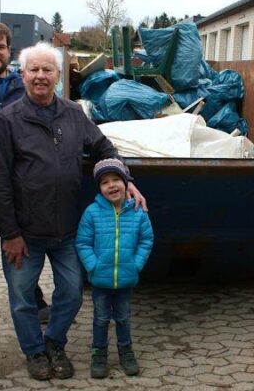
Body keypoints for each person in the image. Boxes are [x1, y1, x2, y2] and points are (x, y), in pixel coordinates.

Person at [0, 42, 146, 380]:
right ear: (23, 74)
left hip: (66, 231)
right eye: (34, 70)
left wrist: (125, 178)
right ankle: (34, 352)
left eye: (48, 70)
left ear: (59, 76)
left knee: (71, 294)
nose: (41, 76)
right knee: (22, 298)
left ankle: (55, 342)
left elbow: (103, 146)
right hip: (24, 233)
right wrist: (10, 234)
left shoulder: (73, 113)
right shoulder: (7, 120)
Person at [0, 20, 50, 322]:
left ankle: (31, 297)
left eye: (0, 46)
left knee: (20, 243)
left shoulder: (22, 86)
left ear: (8, 50)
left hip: (15, 185)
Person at [75, 158, 154, 379]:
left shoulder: (138, 211)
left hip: (126, 280)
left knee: (123, 318)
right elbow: (82, 243)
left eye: (116, 179)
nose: (111, 185)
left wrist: (135, 265)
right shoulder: (92, 212)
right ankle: (98, 353)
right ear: (99, 188)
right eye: (105, 182)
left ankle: (126, 351)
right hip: (101, 280)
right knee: (100, 319)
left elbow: (146, 240)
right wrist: (93, 266)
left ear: (126, 182)